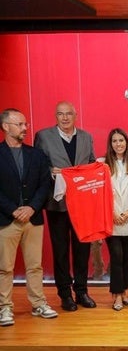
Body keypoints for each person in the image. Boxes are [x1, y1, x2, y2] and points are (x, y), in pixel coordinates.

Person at [33, 101, 97, 312]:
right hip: (56, 203)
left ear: (75, 115)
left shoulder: (86, 137)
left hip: (82, 205)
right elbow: (37, 165)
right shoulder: (43, 136)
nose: (65, 118)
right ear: (56, 116)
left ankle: (81, 291)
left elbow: (91, 164)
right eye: (60, 114)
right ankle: (64, 293)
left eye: (69, 114)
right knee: (60, 250)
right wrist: (53, 171)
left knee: (82, 249)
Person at [0, 108, 58, 326]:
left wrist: (32, 207)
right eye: (20, 124)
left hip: (33, 219)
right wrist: (13, 210)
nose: (25, 128)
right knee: (4, 267)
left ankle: (38, 304)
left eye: (25, 124)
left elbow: (45, 184)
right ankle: (4, 308)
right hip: (7, 220)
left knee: (35, 266)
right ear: (6, 127)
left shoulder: (36, 154)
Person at [104, 128, 128, 311]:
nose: (118, 144)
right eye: (114, 141)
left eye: (121, 140)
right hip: (110, 218)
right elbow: (101, 194)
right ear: (110, 145)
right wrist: (112, 213)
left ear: (127, 143)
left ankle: (125, 291)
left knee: (126, 257)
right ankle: (116, 295)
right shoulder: (103, 165)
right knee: (116, 257)